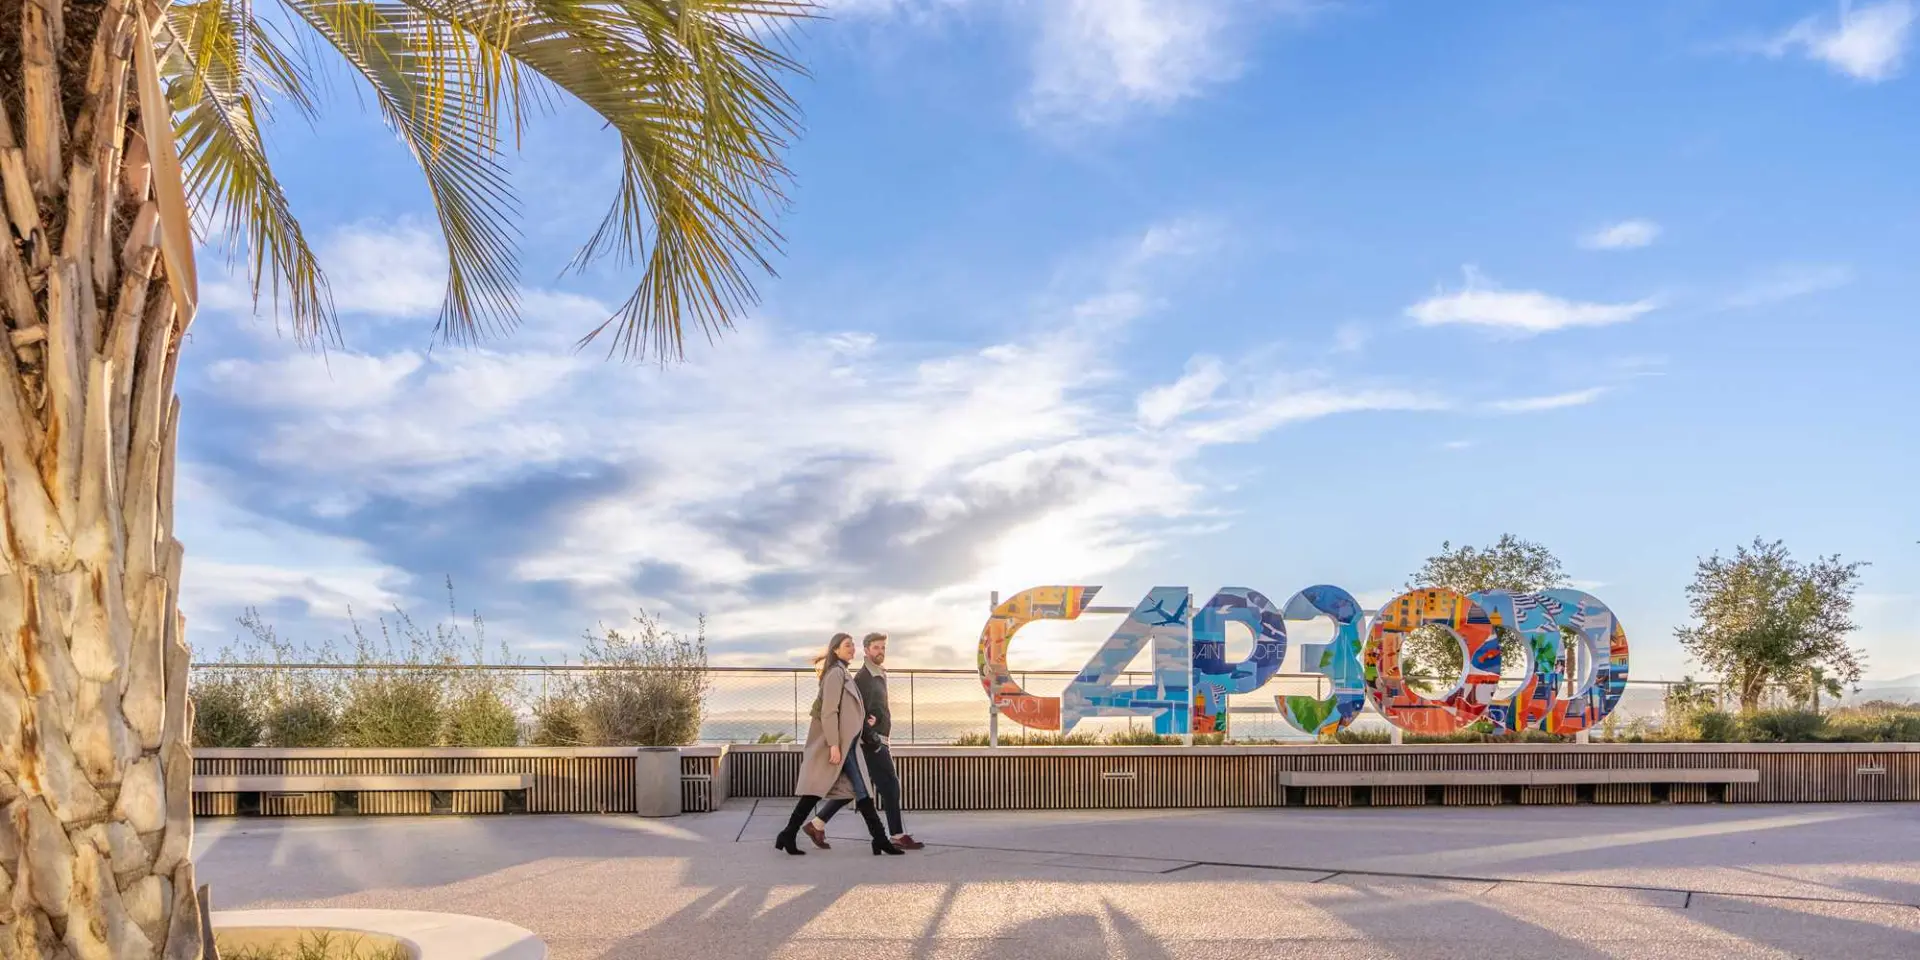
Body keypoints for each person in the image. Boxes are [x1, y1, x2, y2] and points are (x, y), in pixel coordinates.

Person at [774, 633, 905, 856]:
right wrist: (834, 745)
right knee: (826, 793)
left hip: (849, 743)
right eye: (847, 645)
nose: (852, 648)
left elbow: (849, 707)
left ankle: (879, 839)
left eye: (853, 645)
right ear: (835, 650)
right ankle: (880, 839)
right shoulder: (835, 674)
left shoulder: (842, 672)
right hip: (841, 745)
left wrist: (865, 717)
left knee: (860, 792)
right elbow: (829, 712)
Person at [801, 632, 921, 851]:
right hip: (871, 743)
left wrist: (877, 721)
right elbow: (854, 710)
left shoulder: (878, 673)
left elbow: (873, 708)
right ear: (866, 650)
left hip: (878, 739)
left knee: (857, 789)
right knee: (890, 786)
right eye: (876, 647)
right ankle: (897, 834)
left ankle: (816, 824)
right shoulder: (864, 678)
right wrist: (871, 733)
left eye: (883, 647)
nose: (880, 651)